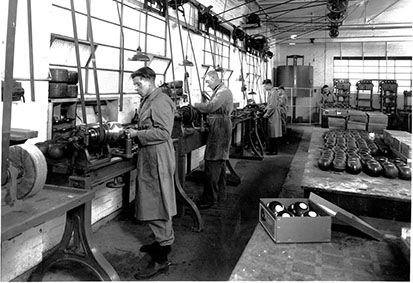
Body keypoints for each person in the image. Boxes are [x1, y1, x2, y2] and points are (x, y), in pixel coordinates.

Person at [125, 67, 176, 279]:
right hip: (150, 155)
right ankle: (159, 242)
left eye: (139, 84)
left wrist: (137, 133)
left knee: (158, 202)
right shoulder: (149, 99)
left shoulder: (160, 100)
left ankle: (162, 259)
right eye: (134, 84)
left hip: (158, 157)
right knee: (153, 200)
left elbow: (164, 132)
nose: (136, 88)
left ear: (150, 80)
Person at [193, 70, 233, 209]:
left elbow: (211, 107)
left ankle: (209, 199)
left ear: (215, 78)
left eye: (208, 81)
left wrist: (195, 105)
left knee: (212, 162)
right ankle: (220, 196)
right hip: (220, 126)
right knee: (219, 164)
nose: (207, 84)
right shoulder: (220, 91)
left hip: (220, 128)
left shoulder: (223, 92)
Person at [262, 79, 282, 155]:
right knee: (271, 133)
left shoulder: (274, 92)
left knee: (273, 134)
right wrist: (265, 109)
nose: (264, 87)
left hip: (273, 115)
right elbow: (269, 104)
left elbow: (272, 106)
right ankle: (271, 149)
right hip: (272, 115)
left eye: (265, 86)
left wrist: (266, 114)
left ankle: (273, 151)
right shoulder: (271, 92)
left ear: (269, 84)